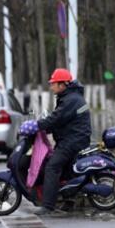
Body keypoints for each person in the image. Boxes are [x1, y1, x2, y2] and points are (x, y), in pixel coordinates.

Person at [35, 69, 92, 215]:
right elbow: (62, 120)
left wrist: (37, 125)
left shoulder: (70, 100)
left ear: (63, 85)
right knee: (67, 171)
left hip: (72, 141)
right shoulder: (70, 97)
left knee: (52, 167)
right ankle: (69, 201)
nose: (51, 86)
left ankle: (47, 206)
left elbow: (56, 118)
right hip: (74, 138)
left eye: (54, 83)